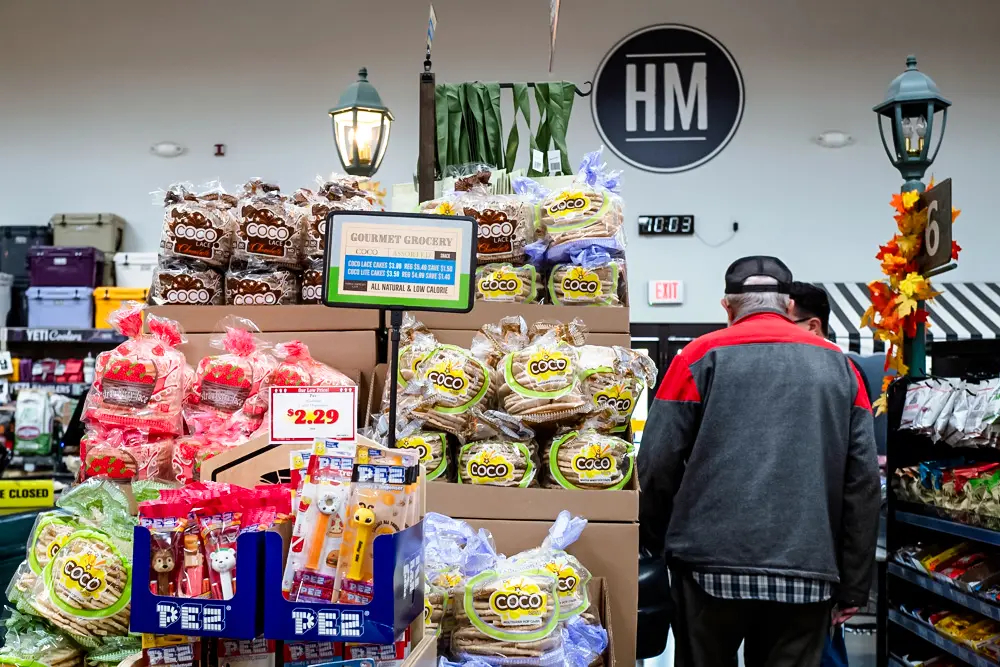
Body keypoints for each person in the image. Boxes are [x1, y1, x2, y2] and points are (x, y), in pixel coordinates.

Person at [637, 256, 880, 667]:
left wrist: (652, 545)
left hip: (705, 567)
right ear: (788, 306)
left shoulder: (696, 358)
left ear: (727, 308)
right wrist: (854, 584)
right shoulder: (841, 367)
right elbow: (862, 483)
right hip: (807, 571)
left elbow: (656, 465)